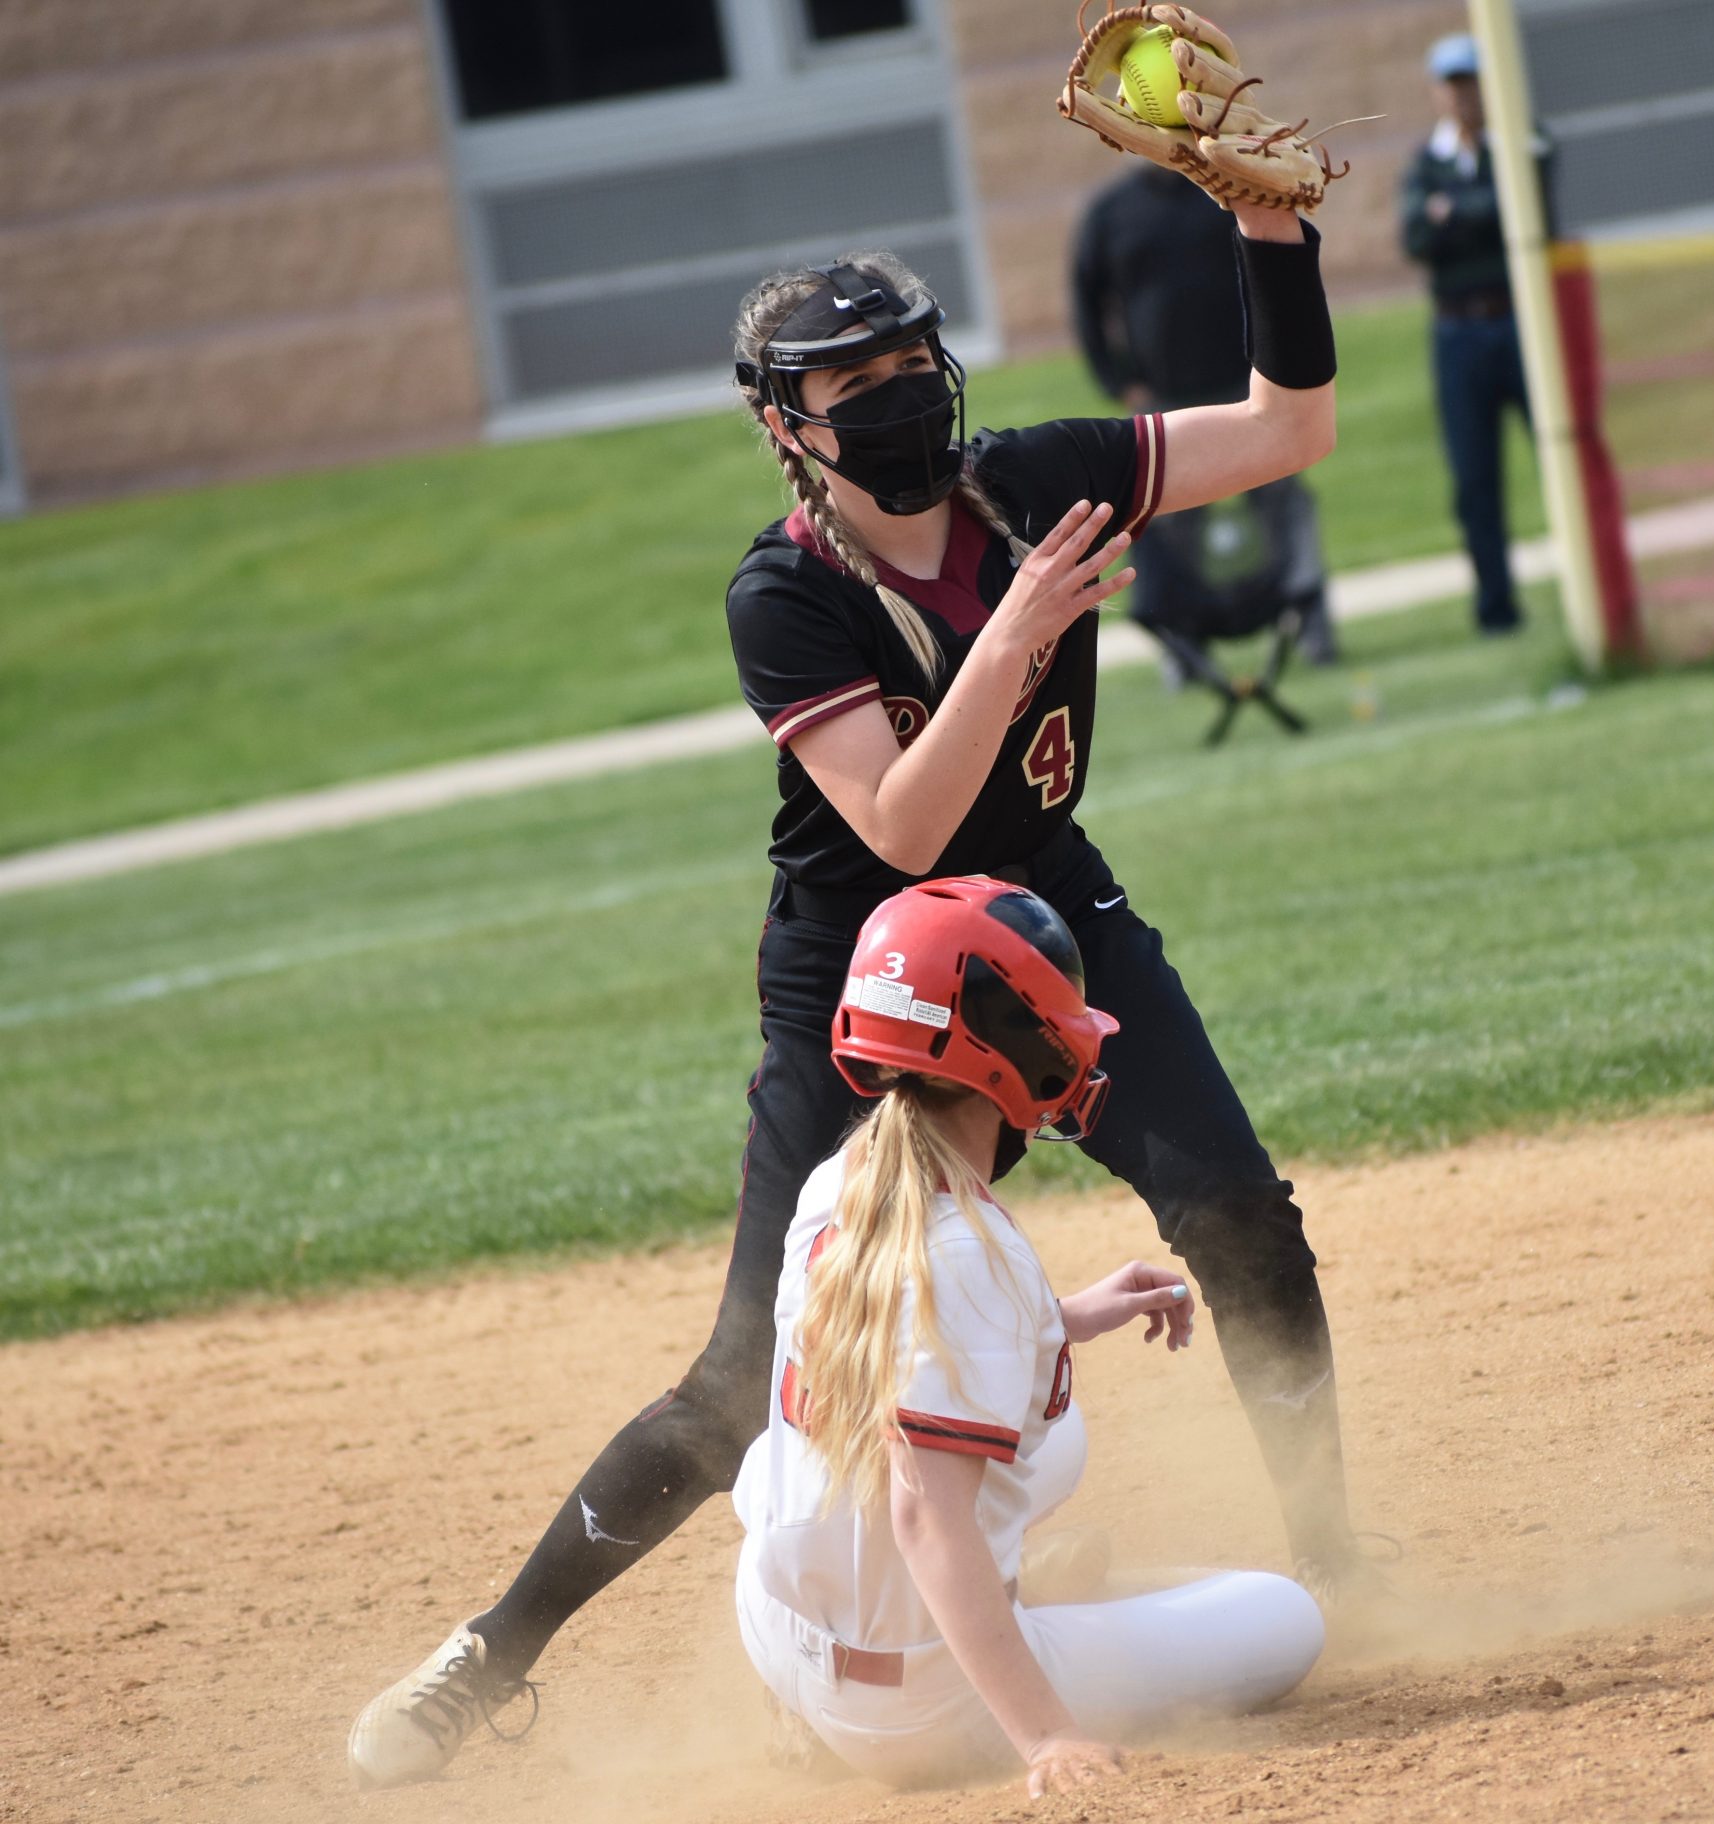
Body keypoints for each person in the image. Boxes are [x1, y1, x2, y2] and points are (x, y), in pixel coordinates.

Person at [349, 181, 1365, 1790]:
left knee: (1239, 1212)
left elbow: (1288, 429)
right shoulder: (788, 593)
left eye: (912, 366)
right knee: (745, 1374)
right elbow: (901, 820)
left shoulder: (1036, 483)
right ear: (787, 429)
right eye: (853, 388)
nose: (899, 401)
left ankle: (1336, 1565)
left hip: (1038, 927)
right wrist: (1018, 633)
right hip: (859, 981)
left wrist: (1269, 238)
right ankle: (493, 1654)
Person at [733, 876, 1325, 1795]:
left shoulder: (846, 1178)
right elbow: (925, 1516)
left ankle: (834, 1684)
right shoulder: (972, 1258)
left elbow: (905, 1338)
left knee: (1036, 1431)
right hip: (919, 1710)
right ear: (1017, 1051)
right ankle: (1013, 1629)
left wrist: (1067, 1316)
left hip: (775, 1625)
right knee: (1286, 1620)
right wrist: (1046, 1734)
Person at [1072, 163, 1338, 676]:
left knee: (1284, 506)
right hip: (1163, 396)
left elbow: (1270, 273)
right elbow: (1086, 303)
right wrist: (1119, 380)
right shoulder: (1111, 212)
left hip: (1247, 388)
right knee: (1165, 529)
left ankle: (1314, 632)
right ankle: (1184, 654)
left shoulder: (1223, 194)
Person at [1399, 32, 1536, 637]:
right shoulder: (1425, 163)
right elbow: (1416, 238)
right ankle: (1496, 608)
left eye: (1473, 82)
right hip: (1458, 331)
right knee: (1474, 479)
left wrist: (1455, 210)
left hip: (1524, 323)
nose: (1464, 97)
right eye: (1452, 85)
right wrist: (1484, 209)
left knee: (1564, 454)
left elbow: (1529, 207)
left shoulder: (1522, 142)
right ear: (1437, 93)